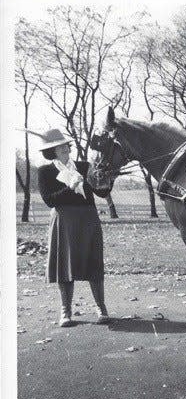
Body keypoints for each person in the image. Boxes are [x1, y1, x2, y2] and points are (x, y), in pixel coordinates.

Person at [36, 128, 112, 326]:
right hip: (64, 220)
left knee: (93, 263)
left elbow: (101, 193)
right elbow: (49, 200)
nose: (65, 149)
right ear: (51, 151)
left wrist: (107, 178)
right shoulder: (45, 172)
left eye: (65, 146)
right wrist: (69, 187)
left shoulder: (84, 166)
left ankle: (101, 308)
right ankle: (66, 312)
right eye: (59, 147)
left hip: (88, 219)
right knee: (64, 265)